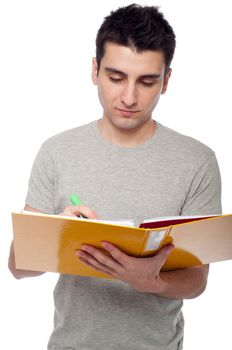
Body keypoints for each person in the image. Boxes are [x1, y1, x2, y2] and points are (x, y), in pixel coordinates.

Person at [8, 3, 222, 349]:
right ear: (95, 70)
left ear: (166, 81)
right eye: (116, 77)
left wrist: (150, 281)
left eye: (147, 81)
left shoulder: (196, 161)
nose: (129, 97)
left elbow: (197, 280)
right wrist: (54, 234)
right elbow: (18, 268)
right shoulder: (56, 152)